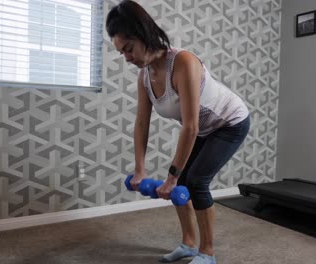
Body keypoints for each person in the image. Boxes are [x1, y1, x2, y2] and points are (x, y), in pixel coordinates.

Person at [106, 1, 250, 263]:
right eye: (121, 53)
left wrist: (172, 177)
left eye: (128, 49)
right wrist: (140, 169)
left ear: (144, 35)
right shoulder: (145, 76)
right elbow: (141, 123)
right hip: (204, 128)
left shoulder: (183, 62)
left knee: (194, 181)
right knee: (181, 183)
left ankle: (207, 253)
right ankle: (189, 244)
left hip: (230, 122)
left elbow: (190, 126)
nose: (127, 57)